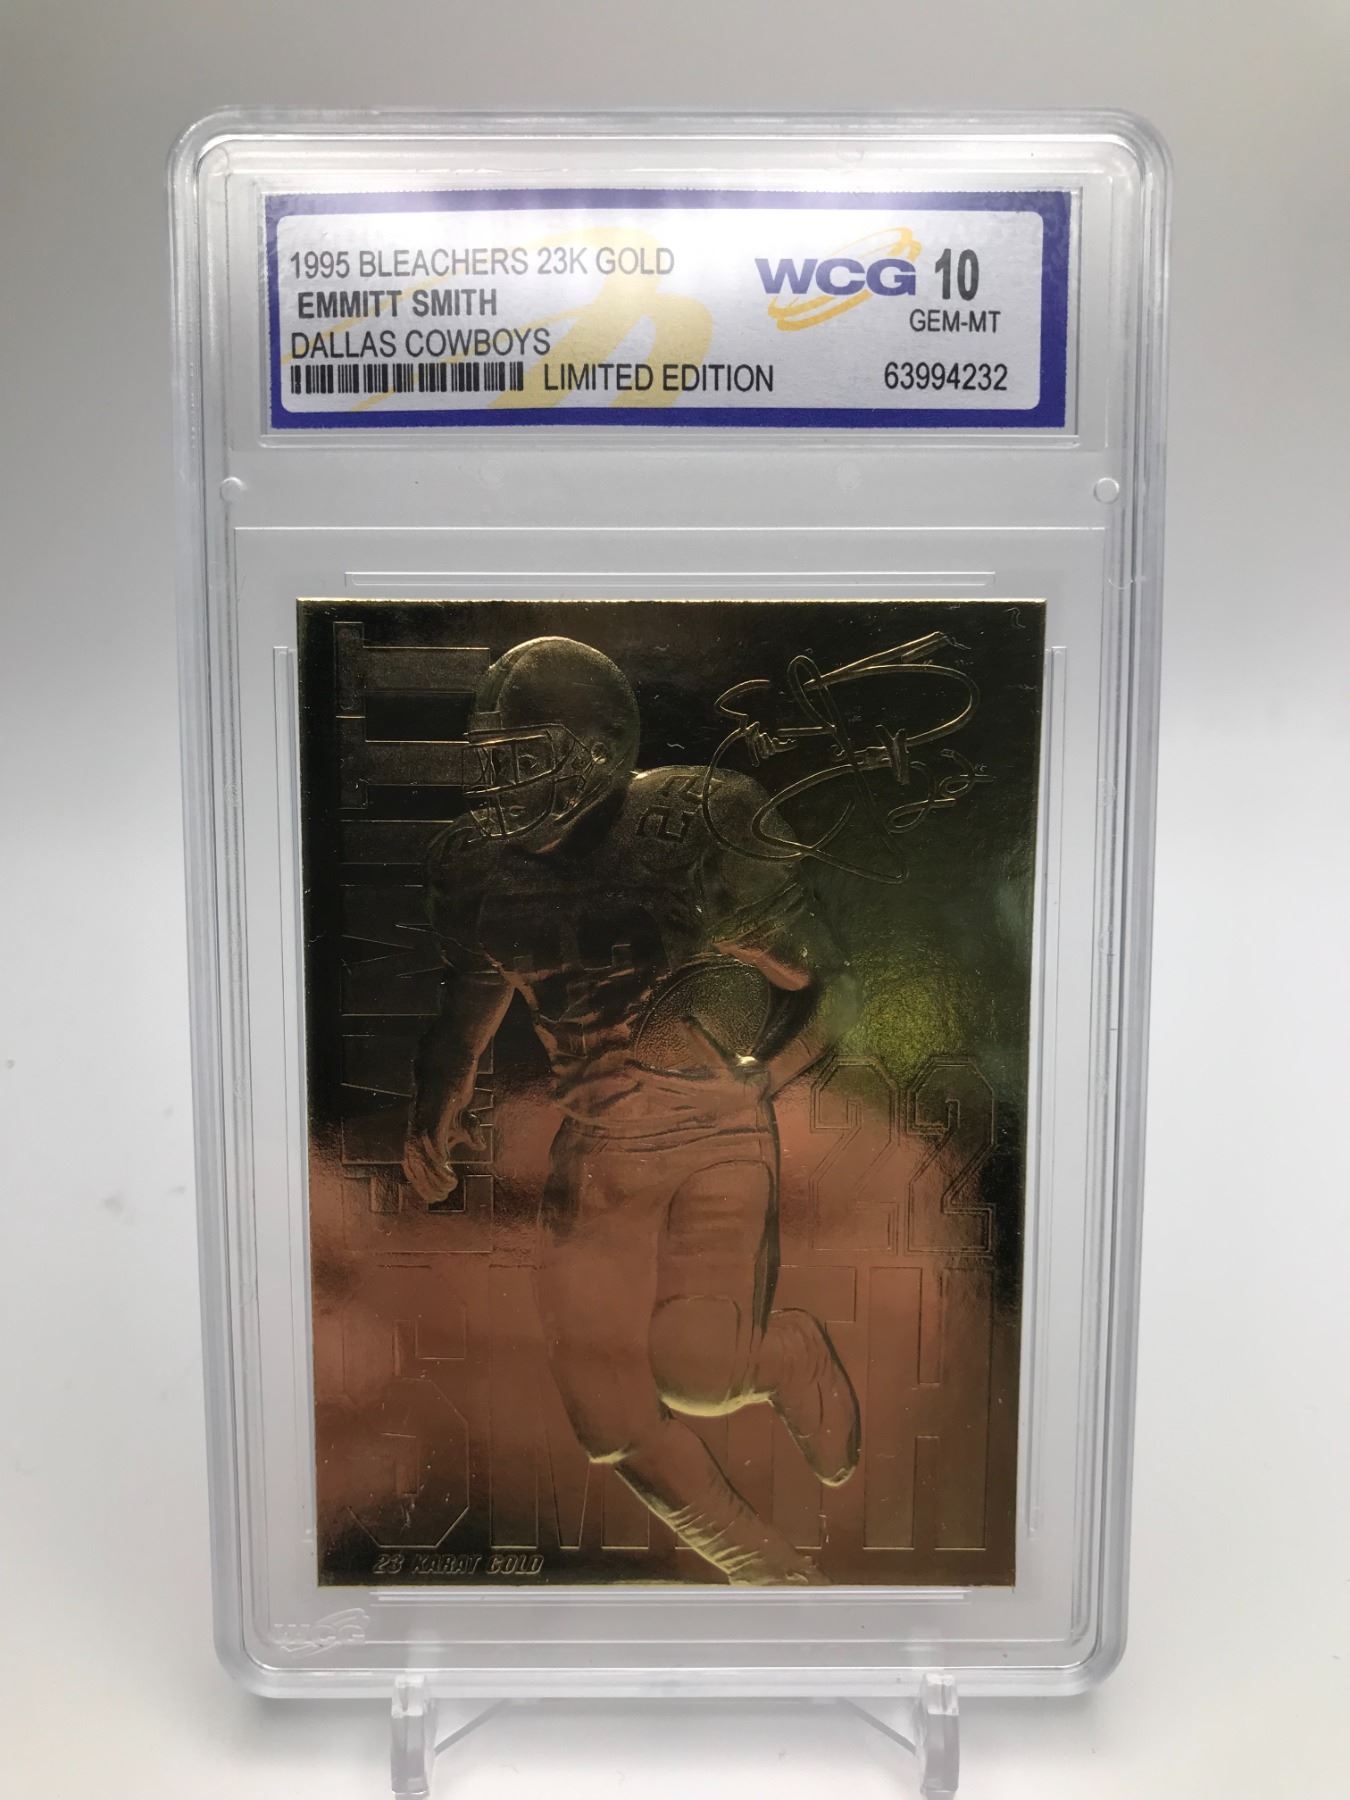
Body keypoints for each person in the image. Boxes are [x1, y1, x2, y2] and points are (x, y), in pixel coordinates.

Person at [402, 635, 860, 1584]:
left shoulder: (691, 831)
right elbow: (470, 1000)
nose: (497, 784)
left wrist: (762, 1074)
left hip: (710, 1134)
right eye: (491, 760)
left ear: (597, 752)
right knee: (606, 1415)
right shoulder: (478, 870)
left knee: (698, 1372)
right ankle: (771, 1577)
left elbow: (832, 984)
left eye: (522, 759)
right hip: (596, 1145)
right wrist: (439, 1098)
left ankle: (785, 1354)